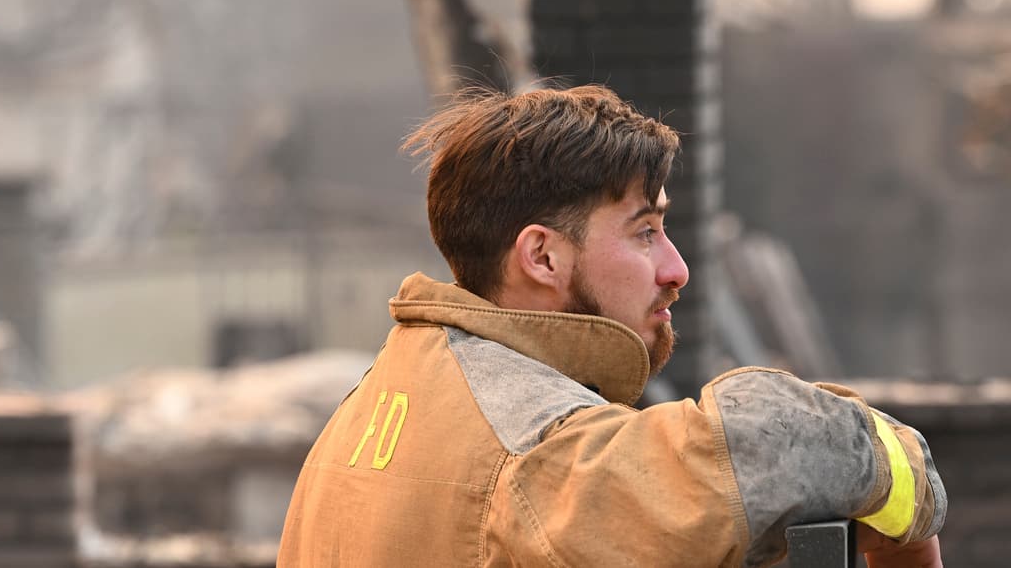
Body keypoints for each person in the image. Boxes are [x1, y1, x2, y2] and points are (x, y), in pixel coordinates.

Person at [278, 85, 946, 567]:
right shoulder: (533, 445)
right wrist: (898, 466)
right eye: (646, 232)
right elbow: (779, 444)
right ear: (542, 255)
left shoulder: (372, 404)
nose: (677, 269)